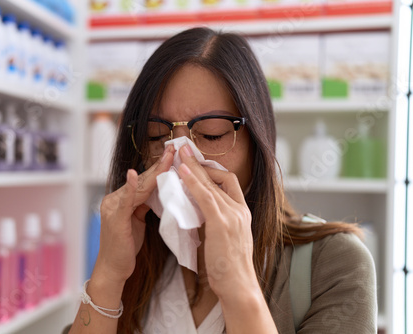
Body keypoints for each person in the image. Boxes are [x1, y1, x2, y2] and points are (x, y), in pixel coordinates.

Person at [67, 27, 376, 334]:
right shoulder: (137, 260)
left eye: (212, 134)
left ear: (256, 142)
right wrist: (107, 275)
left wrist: (238, 286)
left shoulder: (335, 264)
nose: (179, 158)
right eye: (157, 136)